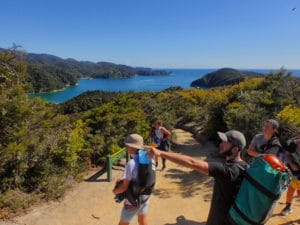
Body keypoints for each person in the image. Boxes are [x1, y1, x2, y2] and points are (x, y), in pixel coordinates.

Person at [145, 130, 249, 225]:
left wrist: (161, 153)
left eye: (225, 143)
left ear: (235, 149)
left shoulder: (229, 171)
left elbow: (192, 163)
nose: (221, 144)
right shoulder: (245, 167)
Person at [113, 134, 155, 225]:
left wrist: (115, 191)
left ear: (132, 147)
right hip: (145, 197)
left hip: (132, 200)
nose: (126, 148)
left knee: (123, 223)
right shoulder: (151, 159)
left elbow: (124, 187)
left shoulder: (131, 163)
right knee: (142, 220)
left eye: (127, 146)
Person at [280, 138, 300, 216]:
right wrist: (291, 164)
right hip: (294, 171)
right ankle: (288, 207)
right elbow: (286, 154)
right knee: (291, 189)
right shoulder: (293, 144)